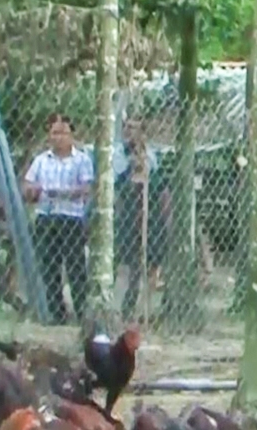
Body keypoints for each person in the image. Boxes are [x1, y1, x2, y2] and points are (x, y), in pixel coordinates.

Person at [22, 112, 95, 324]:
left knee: (75, 267)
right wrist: (32, 191)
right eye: (54, 133)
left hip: (71, 217)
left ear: (72, 135)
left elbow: (86, 188)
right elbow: (28, 184)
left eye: (63, 133)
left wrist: (63, 193)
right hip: (46, 217)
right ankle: (56, 313)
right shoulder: (41, 161)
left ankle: (82, 313)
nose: (58, 137)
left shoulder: (81, 159)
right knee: (48, 266)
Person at [113, 116, 163, 320]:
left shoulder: (151, 154)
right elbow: (118, 180)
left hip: (148, 211)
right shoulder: (119, 153)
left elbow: (156, 181)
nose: (129, 131)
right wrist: (130, 166)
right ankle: (115, 304)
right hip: (127, 209)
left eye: (134, 128)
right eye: (127, 127)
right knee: (124, 261)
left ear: (142, 132)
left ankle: (140, 308)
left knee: (146, 261)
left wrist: (143, 163)